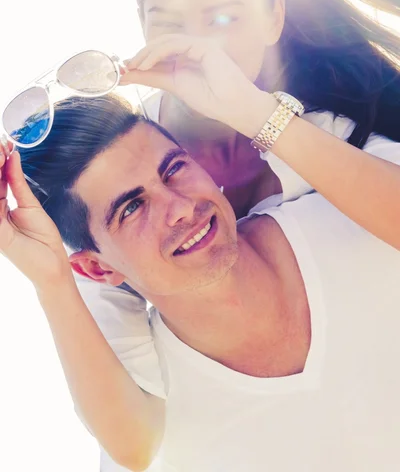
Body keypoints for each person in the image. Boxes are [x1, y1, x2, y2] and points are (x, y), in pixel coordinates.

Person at [2, 90, 399, 472]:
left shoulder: (360, 220)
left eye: (174, 169)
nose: (180, 207)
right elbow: (133, 450)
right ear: (97, 271)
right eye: (133, 207)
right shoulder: (158, 427)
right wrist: (51, 281)